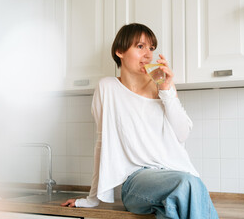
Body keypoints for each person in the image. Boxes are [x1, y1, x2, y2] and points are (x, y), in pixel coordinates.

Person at [61, 23, 218, 219]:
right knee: (188, 184)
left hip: (175, 177)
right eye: (140, 46)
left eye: (151, 48)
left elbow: (182, 134)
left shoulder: (162, 86)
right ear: (120, 51)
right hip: (136, 182)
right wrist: (92, 198)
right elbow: (102, 142)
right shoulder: (108, 88)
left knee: (172, 207)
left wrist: (166, 89)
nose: (148, 55)